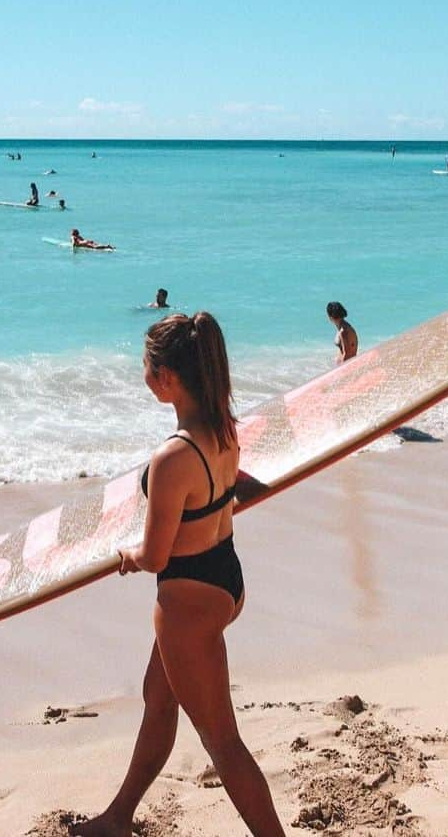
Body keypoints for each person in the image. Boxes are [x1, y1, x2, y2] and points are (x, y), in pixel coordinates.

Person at [73, 313, 284, 837]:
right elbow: (234, 487)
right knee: (159, 696)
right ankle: (118, 818)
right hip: (225, 577)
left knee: (222, 742)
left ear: (167, 378)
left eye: (146, 365)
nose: (142, 372)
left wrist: (128, 555)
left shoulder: (172, 457)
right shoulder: (223, 429)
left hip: (188, 598)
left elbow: (157, 556)